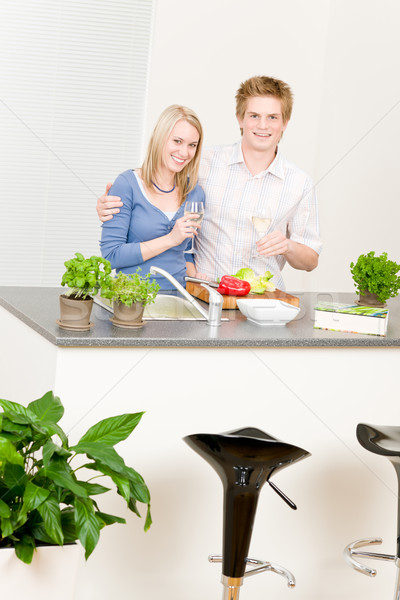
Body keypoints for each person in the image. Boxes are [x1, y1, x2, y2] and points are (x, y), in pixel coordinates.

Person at [97, 76, 322, 290]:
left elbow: (311, 261)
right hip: (204, 296)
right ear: (240, 118)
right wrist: (112, 202)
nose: (263, 125)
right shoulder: (202, 162)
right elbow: (156, 179)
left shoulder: (299, 184)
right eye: (254, 115)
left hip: (260, 303)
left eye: (272, 117)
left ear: (285, 123)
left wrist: (288, 246)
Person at [99, 104, 205, 291]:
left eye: (192, 145)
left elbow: (187, 252)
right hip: (131, 300)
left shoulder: (195, 193)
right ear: (160, 138)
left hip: (178, 299)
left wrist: (195, 275)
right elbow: (111, 255)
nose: (184, 152)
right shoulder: (127, 184)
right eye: (177, 141)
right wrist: (170, 239)